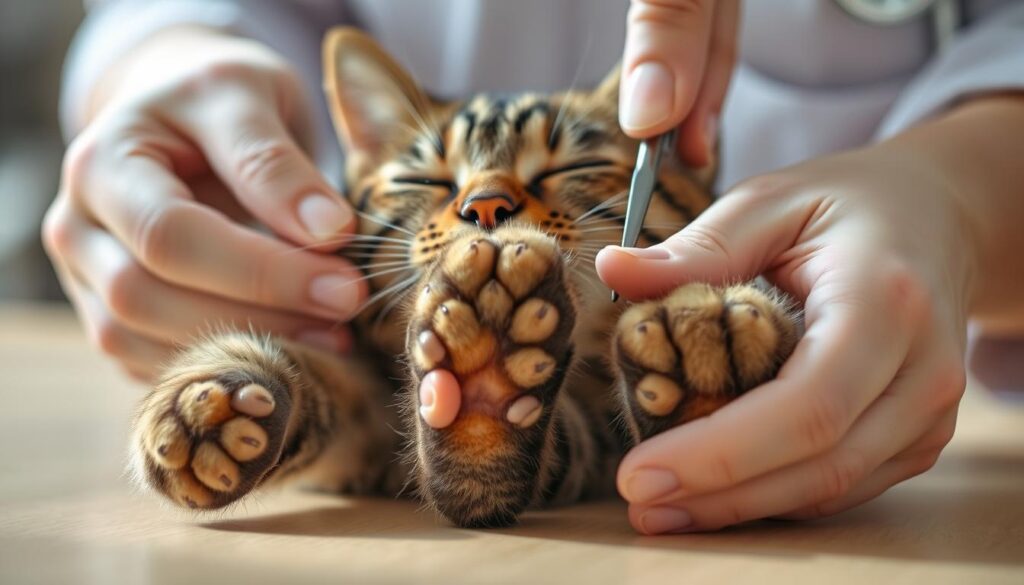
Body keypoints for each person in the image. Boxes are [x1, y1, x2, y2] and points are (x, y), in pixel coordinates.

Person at [43, 0, 1024, 534]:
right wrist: (166, 54)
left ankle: (547, 405)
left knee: (695, 337)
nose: (485, 207)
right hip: (368, 393)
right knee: (298, 383)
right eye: (428, 186)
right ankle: (428, 412)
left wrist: (955, 194)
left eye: (564, 178)